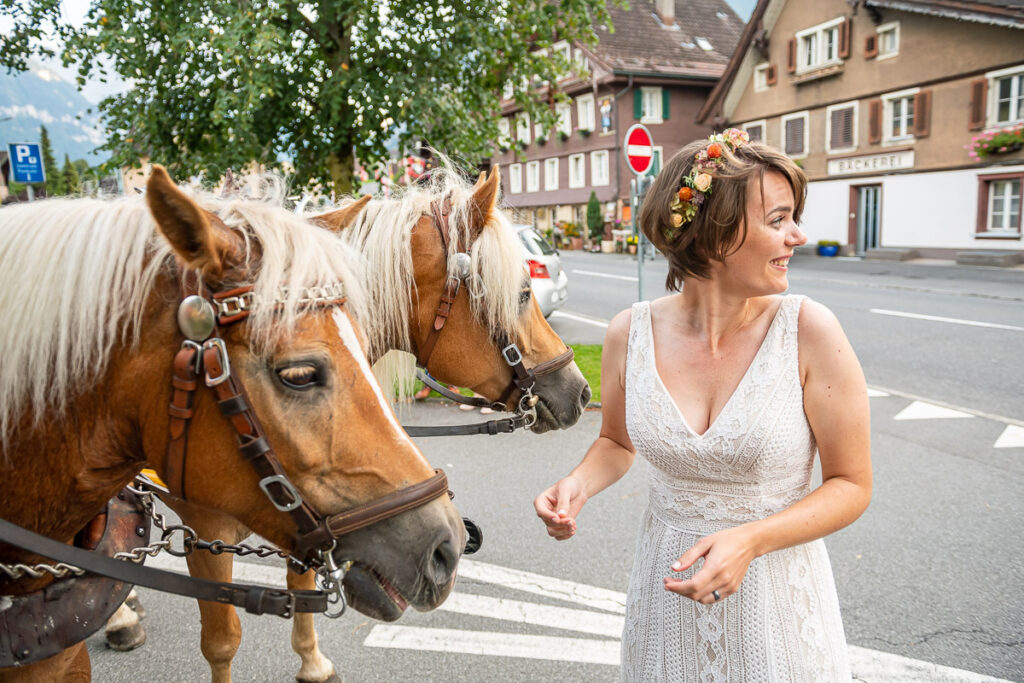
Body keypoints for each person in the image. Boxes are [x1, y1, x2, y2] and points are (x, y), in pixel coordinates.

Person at [534, 130, 871, 680]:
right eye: (778, 219)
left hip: (779, 616)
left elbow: (851, 485)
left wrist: (751, 540)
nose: (798, 236)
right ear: (715, 233)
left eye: (793, 217)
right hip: (664, 610)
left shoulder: (809, 330)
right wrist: (577, 484)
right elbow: (616, 442)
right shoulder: (629, 333)